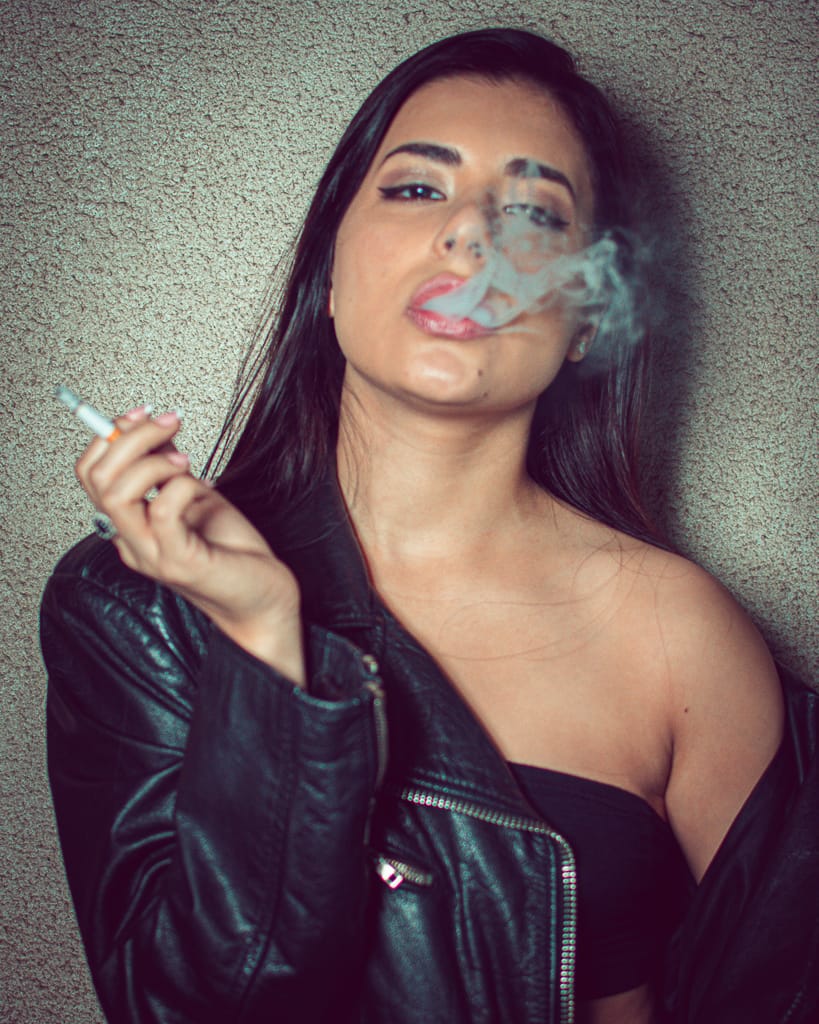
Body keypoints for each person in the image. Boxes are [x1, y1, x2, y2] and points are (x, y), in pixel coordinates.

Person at [40, 28, 817, 1024]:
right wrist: (267, 650)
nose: (470, 237)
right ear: (329, 273)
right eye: (417, 188)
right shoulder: (138, 607)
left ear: (586, 315)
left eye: (534, 213)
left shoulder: (680, 632)